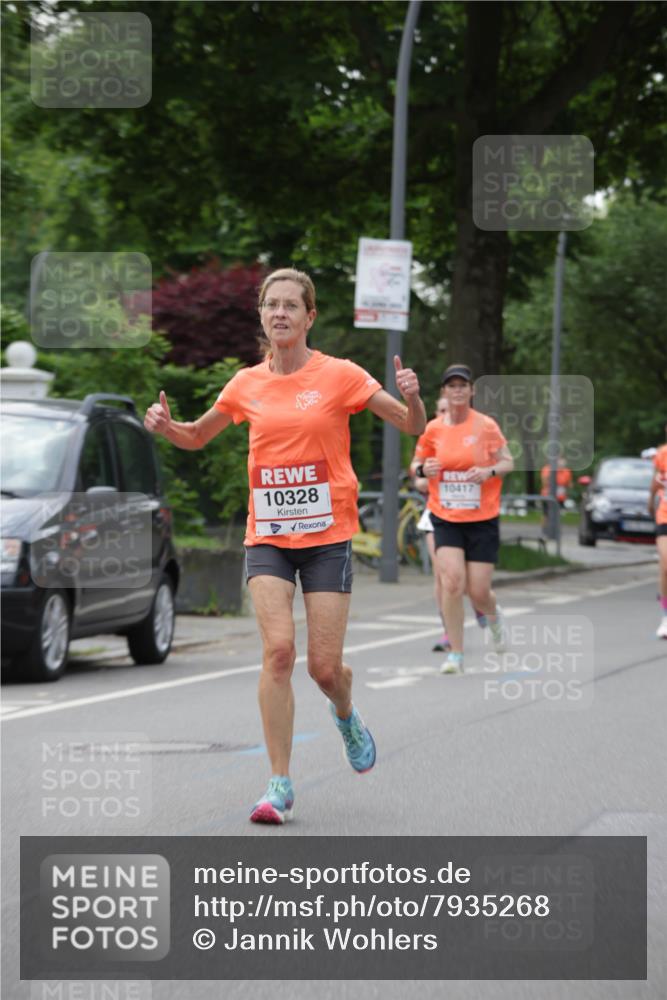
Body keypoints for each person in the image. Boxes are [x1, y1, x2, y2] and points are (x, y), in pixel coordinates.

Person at [144, 267, 426, 823]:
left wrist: (414, 399)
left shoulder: (341, 375)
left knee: (324, 669)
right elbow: (198, 436)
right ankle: (278, 784)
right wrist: (166, 426)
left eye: (291, 306)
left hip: (328, 537)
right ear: (262, 314)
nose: (280, 314)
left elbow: (411, 426)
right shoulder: (245, 384)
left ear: (309, 316)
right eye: (271, 305)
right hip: (268, 535)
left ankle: (345, 713)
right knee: (278, 652)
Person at [414, 364, 514, 674]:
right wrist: (422, 471)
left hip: (482, 517)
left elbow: (508, 461)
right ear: (444, 392)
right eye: (451, 386)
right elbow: (417, 465)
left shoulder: (485, 426)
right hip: (445, 515)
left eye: (462, 386)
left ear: (471, 391)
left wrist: (488, 472)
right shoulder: (433, 429)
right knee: (452, 583)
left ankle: (494, 619)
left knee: (479, 591)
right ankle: (456, 653)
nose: (457, 390)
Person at [648, 422, 667, 639]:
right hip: (665, 515)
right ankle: (665, 616)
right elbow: (656, 481)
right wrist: (650, 500)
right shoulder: (662, 454)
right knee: (665, 566)